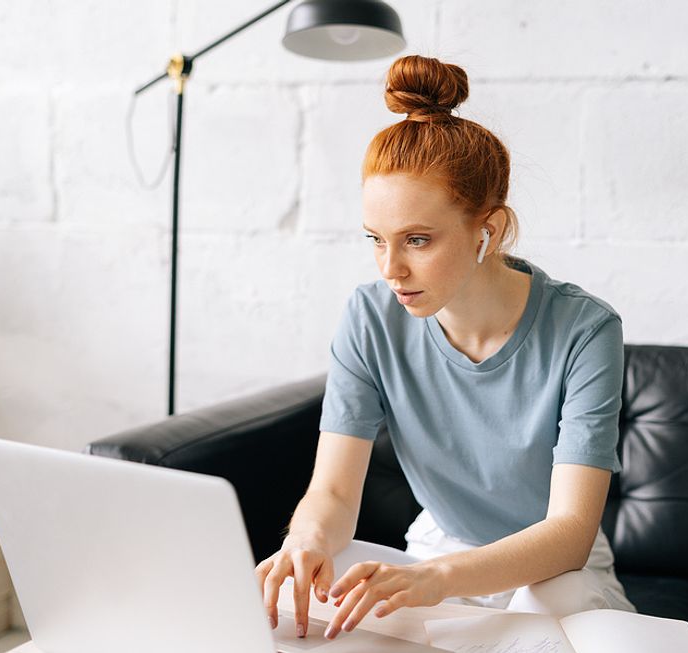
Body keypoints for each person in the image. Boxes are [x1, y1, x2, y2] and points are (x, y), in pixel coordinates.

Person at [254, 54, 635, 642]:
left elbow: (569, 531)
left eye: (418, 240)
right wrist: (303, 542)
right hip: (438, 550)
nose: (391, 268)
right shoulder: (369, 317)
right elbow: (332, 492)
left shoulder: (584, 330)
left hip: (553, 567)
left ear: (491, 228)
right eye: (375, 240)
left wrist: (439, 578)